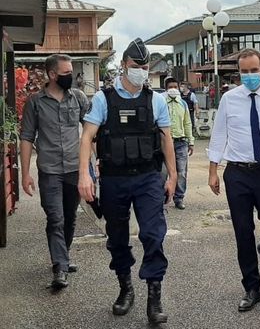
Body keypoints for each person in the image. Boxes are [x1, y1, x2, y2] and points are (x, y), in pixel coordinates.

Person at [78, 38, 177, 324]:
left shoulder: (155, 99)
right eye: (136, 66)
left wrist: (173, 175)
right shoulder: (103, 98)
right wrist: (85, 174)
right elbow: (86, 138)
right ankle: (125, 287)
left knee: (153, 234)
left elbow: (166, 138)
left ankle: (154, 295)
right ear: (124, 65)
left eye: (145, 66)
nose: (141, 71)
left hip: (147, 178)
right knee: (117, 238)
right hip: (114, 179)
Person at [207, 48, 260, 312]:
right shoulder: (229, 99)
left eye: (254, 71)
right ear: (238, 72)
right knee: (243, 231)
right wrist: (212, 170)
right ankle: (251, 287)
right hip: (238, 173)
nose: (250, 76)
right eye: (244, 72)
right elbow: (219, 134)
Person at [20, 54, 89, 290]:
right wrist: (25, 174)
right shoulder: (35, 102)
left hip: (73, 168)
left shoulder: (78, 98)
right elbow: (27, 137)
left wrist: (94, 165)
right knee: (55, 218)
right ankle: (59, 267)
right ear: (52, 75)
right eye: (66, 73)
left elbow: (90, 130)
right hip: (49, 170)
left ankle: (63, 257)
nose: (71, 76)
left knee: (70, 218)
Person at [164, 77, 194, 210]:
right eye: (170, 87)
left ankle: (179, 198)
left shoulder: (183, 104)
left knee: (181, 172)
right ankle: (160, 198)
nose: (173, 89)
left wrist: (191, 141)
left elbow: (187, 123)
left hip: (181, 142)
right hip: (164, 143)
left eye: (175, 87)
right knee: (162, 172)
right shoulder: (161, 103)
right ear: (166, 89)